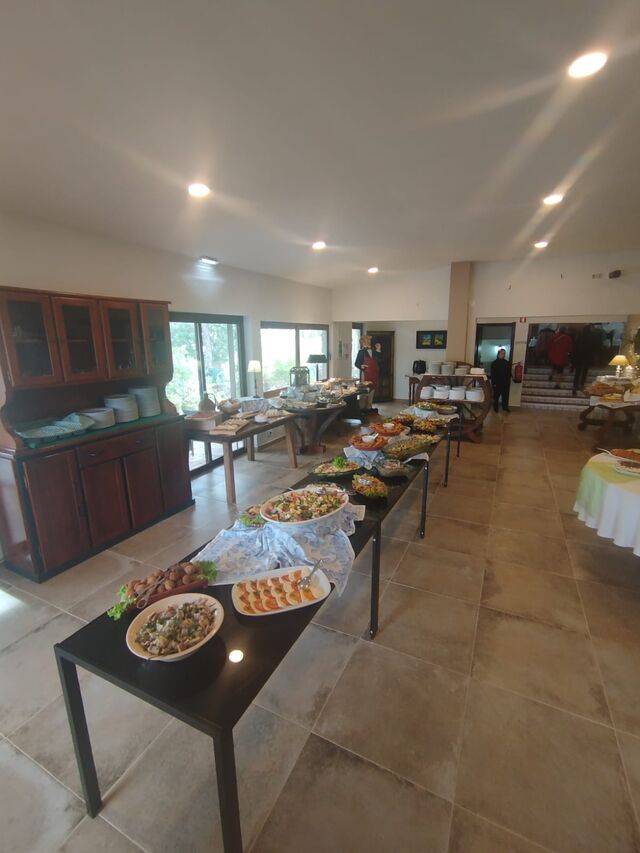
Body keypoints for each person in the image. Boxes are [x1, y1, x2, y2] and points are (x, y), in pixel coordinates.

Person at [354, 335, 381, 413]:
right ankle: (362, 408)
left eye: (369, 340)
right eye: (367, 340)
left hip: (374, 373)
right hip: (366, 374)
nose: (369, 342)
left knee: (372, 391)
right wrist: (361, 366)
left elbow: (380, 360)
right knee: (364, 391)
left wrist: (378, 350)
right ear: (363, 342)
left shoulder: (374, 350)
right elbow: (356, 363)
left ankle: (369, 407)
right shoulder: (361, 352)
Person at [572, 324, 596, 395]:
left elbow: (575, 348)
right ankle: (581, 384)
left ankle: (575, 386)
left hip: (579, 357)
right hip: (587, 357)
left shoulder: (579, 337)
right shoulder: (591, 338)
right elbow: (593, 348)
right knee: (584, 372)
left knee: (578, 372)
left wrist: (574, 358)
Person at [490, 348, 511, 412]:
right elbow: (492, 374)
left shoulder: (507, 363)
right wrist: (493, 383)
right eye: (502, 353)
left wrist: (508, 382)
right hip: (497, 383)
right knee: (496, 396)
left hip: (505, 383)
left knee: (505, 396)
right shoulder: (494, 363)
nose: (503, 355)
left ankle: (505, 408)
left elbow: (509, 373)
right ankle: (495, 408)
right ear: (498, 354)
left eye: (504, 353)